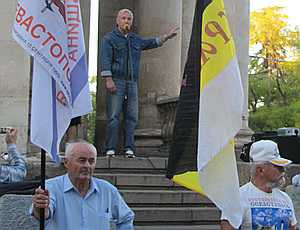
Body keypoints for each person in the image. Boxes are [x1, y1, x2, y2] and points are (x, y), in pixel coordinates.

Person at [101, 8, 179, 157]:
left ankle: (129, 148)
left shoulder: (134, 39)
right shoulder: (109, 39)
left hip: (132, 83)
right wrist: (108, 79)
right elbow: (105, 59)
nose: (126, 21)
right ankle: (110, 148)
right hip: (117, 81)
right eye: (123, 18)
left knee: (132, 117)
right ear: (117, 21)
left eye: (129, 19)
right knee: (113, 116)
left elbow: (151, 42)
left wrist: (166, 37)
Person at [31, 140, 134, 229]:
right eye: (82, 160)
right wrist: (40, 207)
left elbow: (126, 218)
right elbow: (42, 214)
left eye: (91, 161)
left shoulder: (107, 190)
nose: (87, 165)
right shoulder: (50, 187)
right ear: (66, 162)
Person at [221, 140, 297, 230]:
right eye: (278, 167)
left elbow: (292, 227)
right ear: (260, 170)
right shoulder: (237, 198)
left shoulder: (285, 199)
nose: (283, 171)